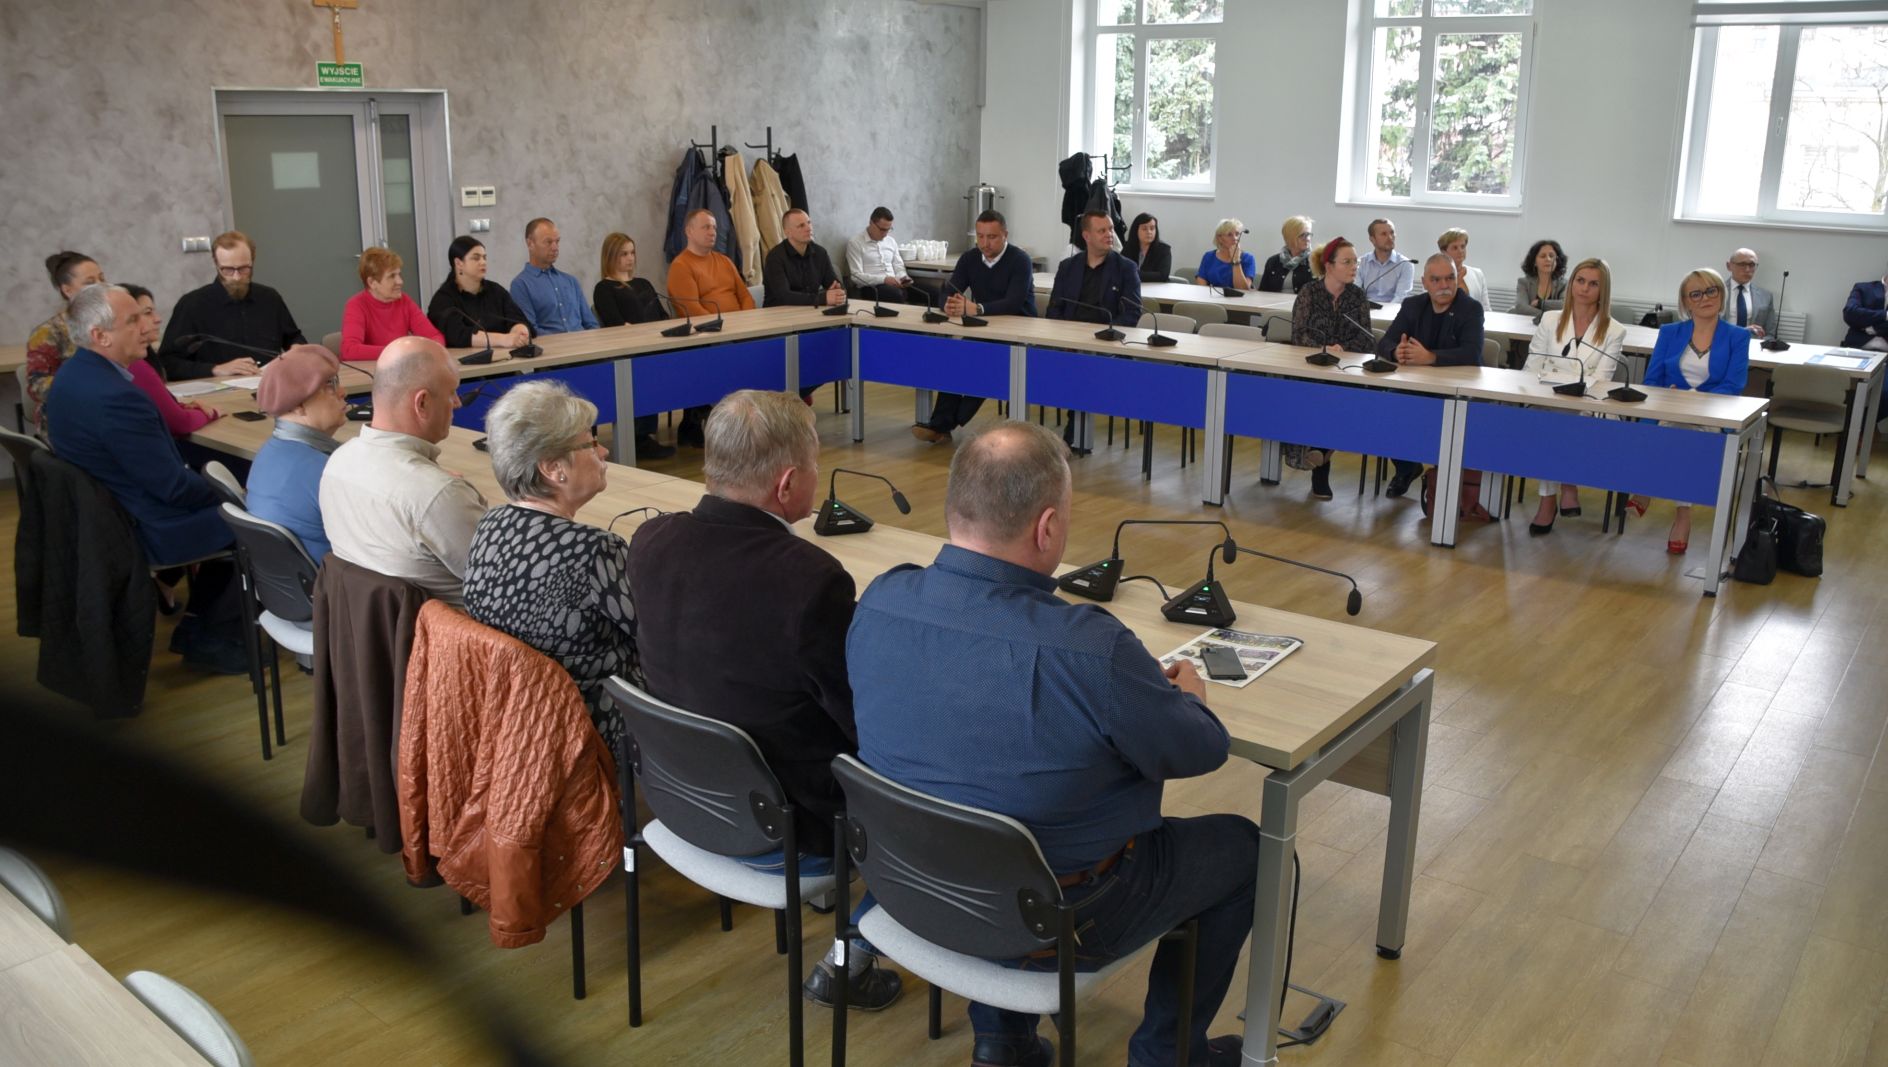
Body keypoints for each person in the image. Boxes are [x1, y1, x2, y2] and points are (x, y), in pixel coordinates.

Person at [847, 421, 1254, 1067]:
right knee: (1244, 849)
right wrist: (1189, 698)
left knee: (985, 794)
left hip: (907, 882)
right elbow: (1200, 750)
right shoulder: (1093, 646)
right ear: (1047, 528)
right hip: (1059, 914)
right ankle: (1167, 1055)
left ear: (956, 508)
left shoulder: (880, 599)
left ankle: (1003, 1042)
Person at [626, 389, 902, 1012]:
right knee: (931, 776)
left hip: (684, 796)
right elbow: (862, 724)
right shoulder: (809, 578)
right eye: (815, 465)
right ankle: (852, 954)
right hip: (789, 824)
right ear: (787, 484)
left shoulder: (650, 540)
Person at [44, 284, 246, 674]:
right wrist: (237, 494)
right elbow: (173, 488)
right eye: (132, 320)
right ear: (101, 336)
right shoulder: (118, 397)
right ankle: (210, 636)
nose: (146, 327)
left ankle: (199, 625)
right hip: (144, 527)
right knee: (258, 519)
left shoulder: (73, 375)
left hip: (110, 518)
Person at [463, 380, 636, 754]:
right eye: (590, 443)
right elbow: (660, 634)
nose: (603, 450)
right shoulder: (595, 550)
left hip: (517, 722)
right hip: (589, 726)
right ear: (553, 468)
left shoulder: (490, 524)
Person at [318, 336, 487, 607]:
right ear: (422, 403)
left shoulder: (337, 462)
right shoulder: (438, 495)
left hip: (366, 625)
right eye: (451, 393)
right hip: (459, 630)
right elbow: (508, 584)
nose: (457, 403)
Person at [1633, 269, 1750, 554]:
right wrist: (1672, 398)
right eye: (1695, 294)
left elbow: (1734, 385)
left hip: (1713, 413)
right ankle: (1682, 513)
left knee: (1683, 434)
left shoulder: (1738, 336)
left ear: (1721, 294)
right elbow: (1652, 380)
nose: (1705, 298)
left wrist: (1693, 399)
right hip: (1669, 410)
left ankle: (1649, 490)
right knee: (1678, 431)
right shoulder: (1670, 333)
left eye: (1711, 291)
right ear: (1686, 302)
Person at [1521, 258, 1625, 535]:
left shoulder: (1614, 330)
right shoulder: (1550, 319)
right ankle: (1563, 486)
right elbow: (1532, 367)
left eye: (1593, 284)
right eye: (1580, 281)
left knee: (1558, 425)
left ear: (1603, 290)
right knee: (1549, 422)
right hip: (1547, 400)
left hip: (1590, 407)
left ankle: (1549, 499)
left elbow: (1601, 380)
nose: (1584, 288)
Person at [921, 209, 1037, 444]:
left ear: (1005, 235)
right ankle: (941, 424)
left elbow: (1013, 302)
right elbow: (949, 291)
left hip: (1018, 331)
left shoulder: (1020, 260)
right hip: (984, 328)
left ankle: (944, 425)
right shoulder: (970, 258)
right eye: (980, 236)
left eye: (992, 237)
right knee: (957, 357)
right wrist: (949, 305)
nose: (985, 243)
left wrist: (978, 308)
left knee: (985, 364)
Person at [1379, 254, 1486, 495]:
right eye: (1436, 280)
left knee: (1440, 419)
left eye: (1450, 278)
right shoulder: (1413, 305)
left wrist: (1431, 357)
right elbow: (1385, 342)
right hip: (1416, 387)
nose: (1444, 285)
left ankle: (1442, 476)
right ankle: (1407, 468)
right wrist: (1397, 351)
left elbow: (1472, 352)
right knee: (1387, 404)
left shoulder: (1470, 308)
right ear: (1425, 282)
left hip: (1456, 391)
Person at [1288, 237, 1374, 501]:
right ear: (1329, 266)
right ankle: (1318, 457)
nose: (1354, 267)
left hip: (1347, 369)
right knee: (1309, 396)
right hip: (1312, 367)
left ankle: (1320, 462)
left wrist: (1342, 348)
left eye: (1355, 262)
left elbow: (1366, 338)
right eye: (1347, 262)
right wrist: (1324, 348)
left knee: (1335, 398)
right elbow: (1298, 334)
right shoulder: (1309, 292)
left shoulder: (1357, 296)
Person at [157, 231, 304, 380]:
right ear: (216, 264)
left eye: (244, 268)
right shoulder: (192, 304)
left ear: (252, 261)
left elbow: (294, 338)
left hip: (270, 383)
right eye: (228, 270)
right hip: (219, 389)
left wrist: (297, 349)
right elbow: (168, 363)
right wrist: (215, 369)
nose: (236, 277)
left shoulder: (270, 298)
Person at [247, 344, 347, 562]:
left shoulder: (268, 453)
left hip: (291, 578)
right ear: (298, 405)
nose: (342, 392)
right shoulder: (324, 471)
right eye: (329, 386)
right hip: (332, 578)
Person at [667, 209, 758, 446]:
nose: (712, 232)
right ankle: (716, 418)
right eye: (706, 227)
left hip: (739, 330)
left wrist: (747, 323)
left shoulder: (725, 261)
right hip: (709, 336)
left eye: (715, 227)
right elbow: (692, 310)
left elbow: (745, 296)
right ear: (689, 231)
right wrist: (727, 328)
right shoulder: (681, 266)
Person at [592, 232, 677, 460]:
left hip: (656, 345)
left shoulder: (643, 283)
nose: (630, 258)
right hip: (631, 352)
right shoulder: (604, 288)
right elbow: (616, 324)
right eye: (623, 254)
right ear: (610, 257)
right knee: (647, 369)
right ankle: (640, 437)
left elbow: (662, 316)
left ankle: (692, 421)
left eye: (632, 253)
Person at [120, 284, 219, 439]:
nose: (158, 319)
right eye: (147, 313)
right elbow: (180, 423)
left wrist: (181, 407)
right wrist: (211, 413)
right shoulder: (134, 365)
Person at [24, 251, 105, 424]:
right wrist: (86, 385)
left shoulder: (111, 323)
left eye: (102, 279)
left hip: (108, 409)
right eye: (90, 282)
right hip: (68, 419)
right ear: (67, 290)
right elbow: (37, 386)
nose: (101, 286)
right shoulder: (48, 332)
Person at [426, 236, 534, 352]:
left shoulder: (496, 291)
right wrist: (503, 339)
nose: (483, 262)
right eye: (476, 258)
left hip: (506, 358)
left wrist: (520, 333)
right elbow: (457, 335)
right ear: (458, 263)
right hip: (464, 361)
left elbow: (518, 319)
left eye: (484, 257)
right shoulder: (443, 299)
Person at [340, 247, 445, 363]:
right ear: (372, 283)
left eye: (399, 274)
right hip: (371, 371)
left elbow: (435, 337)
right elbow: (349, 350)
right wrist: (400, 351)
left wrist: (423, 349)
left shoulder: (404, 301)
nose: (400, 281)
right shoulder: (356, 305)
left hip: (401, 367)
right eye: (391, 276)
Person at [1046, 210, 1141, 327]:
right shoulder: (1067, 267)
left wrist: (1108, 331)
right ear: (1087, 236)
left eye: (1111, 229)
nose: (1109, 234)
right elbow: (1054, 308)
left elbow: (1132, 313)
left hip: (1107, 334)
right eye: (1102, 231)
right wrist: (1066, 329)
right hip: (1070, 332)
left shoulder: (1127, 268)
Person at [510, 218, 600, 335]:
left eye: (557, 241)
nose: (555, 247)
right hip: (551, 346)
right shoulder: (521, 285)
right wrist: (566, 340)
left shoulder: (571, 281)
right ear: (530, 243)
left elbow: (591, 324)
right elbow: (530, 330)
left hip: (583, 343)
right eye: (548, 242)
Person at [762, 208, 846, 310]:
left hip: (810, 311)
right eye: (801, 226)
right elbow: (784, 297)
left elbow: (834, 283)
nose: (809, 228)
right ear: (788, 232)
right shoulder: (775, 257)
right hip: (779, 313)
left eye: (809, 222)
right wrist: (822, 298)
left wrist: (838, 292)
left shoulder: (820, 253)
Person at [844, 206, 922, 304]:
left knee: (933, 293)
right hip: (872, 287)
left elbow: (899, 266)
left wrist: (903, 278)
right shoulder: (855, 243)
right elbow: (856, 276)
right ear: (871, 223)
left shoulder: (891, 241)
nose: (885, 234)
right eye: (882, 229)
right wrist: (884, 279)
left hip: (895, 284)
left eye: (889, 229)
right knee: (897, 294)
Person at [1357, 218, 1413, 307]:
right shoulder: (1361, 263)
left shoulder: (1405, 264)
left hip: (1392, 311)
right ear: (1372, 239)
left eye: (1392, 233)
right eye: (1384, 234)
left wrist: (1385, 311)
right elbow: (1355, 293)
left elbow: (1401, 297)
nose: (1390, 237)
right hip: (1366, 309)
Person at [1723, 248, 1775, 340]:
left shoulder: (1766, 296)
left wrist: (1758, 345)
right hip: (1722, 342)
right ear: (1729, 266)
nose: (1747, 270)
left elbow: (1770, 333)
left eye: (1752, 265)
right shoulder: (1716, 292)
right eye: (1742, 264)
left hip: (1753, 344)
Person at [1192, 218, 1256, 291]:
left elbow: (1243, 290)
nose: (1235, 238)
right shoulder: (1208, 256)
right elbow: (1201, 286)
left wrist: (1236, 260)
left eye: (1237, 234)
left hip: (1238, 298)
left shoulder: (1248, 258)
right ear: (1219, 238)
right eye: (1229, 235)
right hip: (1211, 297)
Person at [1430, 228, 1488, 307]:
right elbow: (1429, 306)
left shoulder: (1478, 274)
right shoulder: (1433, 275)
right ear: (1444, 252)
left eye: (1463, 246)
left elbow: (1485, 307)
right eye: (1455, 248)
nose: (1460, 251)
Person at [1259, 215, 1316, 293]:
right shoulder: (1273, 262)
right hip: (1274, 301)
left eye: (1309, 234)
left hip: (1303, 301)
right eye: (1303, 235)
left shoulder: (1316, 261)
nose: (1308, 239)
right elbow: (1262, 292)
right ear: (1290, 237)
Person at [1514, 238, 1567, 319]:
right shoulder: (1523, 282)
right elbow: (1521, 307)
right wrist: (1545, 316)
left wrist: (1540, 303)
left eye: (1551, 256)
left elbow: (1565, 305)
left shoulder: (1564, 284)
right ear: (1534, 262)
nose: (1548, 259)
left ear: (1557, 261)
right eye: (1543, 256)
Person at [1840, 264, 1888, 350]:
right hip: (1856, 348)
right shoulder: (1863, 288)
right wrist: (1885, 315)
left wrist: (1875, 328)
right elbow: (1849, 313)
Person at [1121, 212, 1172, 283]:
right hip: (1132, 287)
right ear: (1136, 230)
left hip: (1156, 288)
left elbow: (1163, 275)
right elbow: (1120, 270)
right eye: (1144, 229)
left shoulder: (1164, 249)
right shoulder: (1128, 247)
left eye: (1152, 228)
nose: (1149, 232)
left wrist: (1133, 274)